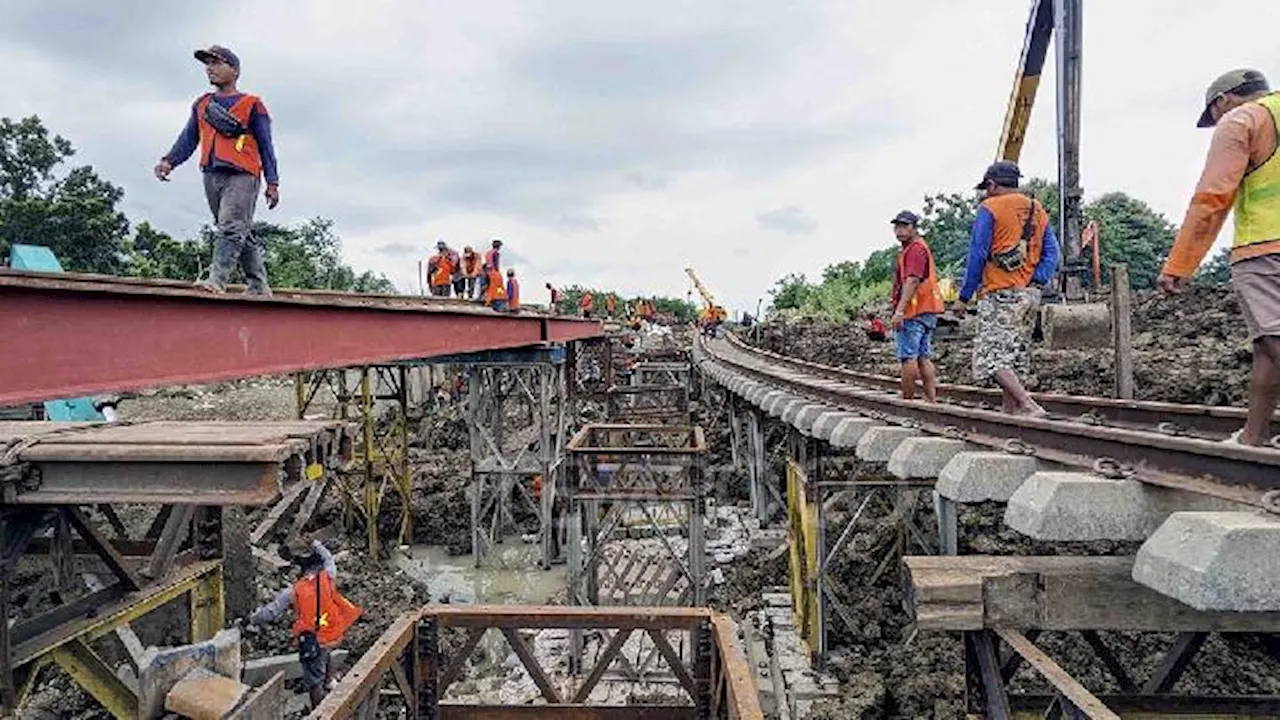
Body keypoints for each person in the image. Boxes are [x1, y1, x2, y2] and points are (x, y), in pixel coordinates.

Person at [1158, 69, 1280, 445]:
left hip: (1265, 247)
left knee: (1275, 339)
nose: (1216, 125)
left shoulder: (1242, 119)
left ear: (1222, 101)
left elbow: (1213, 196)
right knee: (1266, 347)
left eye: (1213, 117)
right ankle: (1252, 438)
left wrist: (1179, 264)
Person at [156, 46, 279, 297]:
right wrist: (169, 161)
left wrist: (272, 182)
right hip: (212, 174)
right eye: (207, 64)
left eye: (217, 63)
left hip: (243, 173)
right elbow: (189, 138)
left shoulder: (252, 104)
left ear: (234, 71)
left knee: (231, 227)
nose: (210, 68)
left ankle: (216, 281)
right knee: (235, 229)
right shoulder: (202, 104)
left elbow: (266, 145)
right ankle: (258, 285)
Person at [953, 161, 1060, 416]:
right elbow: (1052, 252)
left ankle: (1027, 404)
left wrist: (964, 296)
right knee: (1013, 355)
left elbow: (977, 254)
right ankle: (1008, 414)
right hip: (1029, 294)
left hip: (1000, 292)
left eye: (986, 188)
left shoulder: (989, 208)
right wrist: (1036, 280)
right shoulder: (1037, 209)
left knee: (990, 355)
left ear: (992, 184)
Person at [244, 540, 362, 709]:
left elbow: (271, 612)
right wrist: (315, 544)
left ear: (302, 570)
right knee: (326, 652)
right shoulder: (328, 576)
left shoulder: (294, 590)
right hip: (334, 633)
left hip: (314, 640)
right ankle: (330, 682)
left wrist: (251, 620)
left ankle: (320, 712)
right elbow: (329, 558)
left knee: (314, 681)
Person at [889, 210, 944, 402]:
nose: (899, 230)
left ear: (914, 228)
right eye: (897, 226)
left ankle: (908, 401)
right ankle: (931, 399)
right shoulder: (918, 248)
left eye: (904, 226)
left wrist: (900, 311)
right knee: (923, 357)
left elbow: (912, 280)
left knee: (908, 357)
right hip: (927, 309)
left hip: (913, 311)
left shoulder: (914, 250)